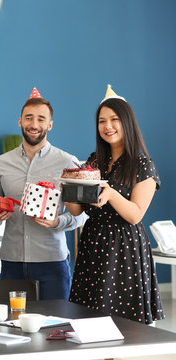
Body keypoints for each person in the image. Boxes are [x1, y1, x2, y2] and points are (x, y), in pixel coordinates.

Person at [66, 85, 164, 324]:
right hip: (93, 243)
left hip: (124, 247)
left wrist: (112, 194)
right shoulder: (94, 160)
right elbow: (77, 210)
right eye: (101, 121)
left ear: (127, 122)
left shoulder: (143, 164)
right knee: (89, 318)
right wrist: (68, 187)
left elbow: (135, 215)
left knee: (121, 323)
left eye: (114, 119)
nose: (107, 127)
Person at [0, 87, 87, 300]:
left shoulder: (68, 163)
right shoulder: (0, 163)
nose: (34, 124)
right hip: (12, 262)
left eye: (41, 119)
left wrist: (57, 222)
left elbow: (82, 215)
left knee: (56, 326)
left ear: (50, 125)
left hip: (52, 262)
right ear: (20, 121)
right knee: (12, 326)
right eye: (28, 118)